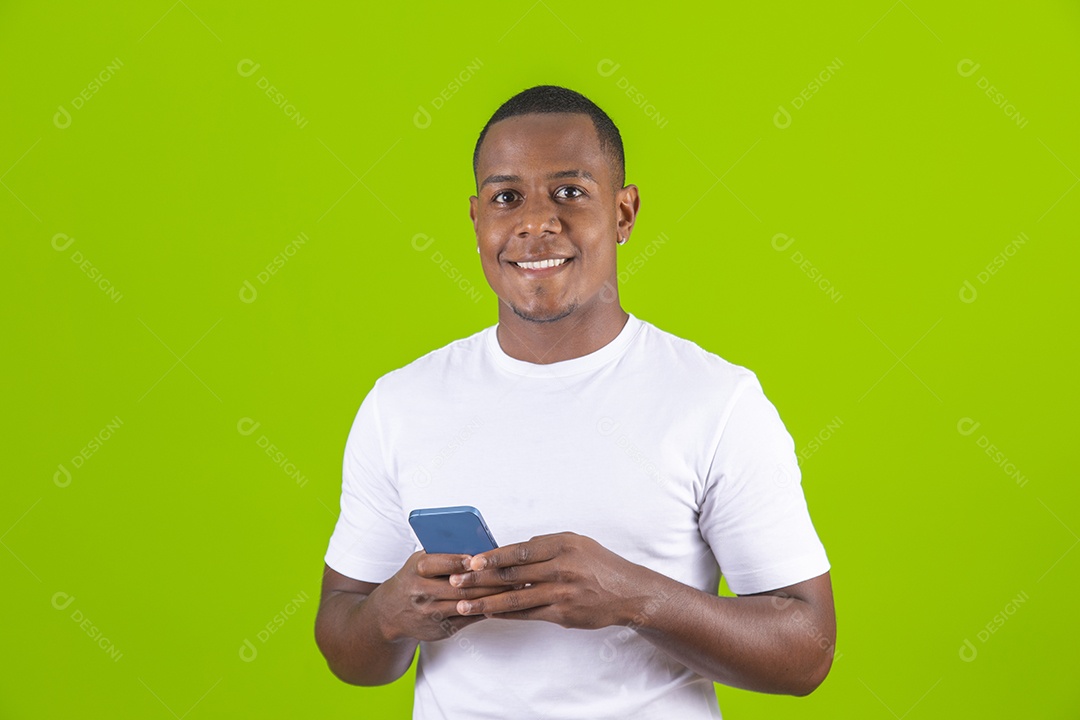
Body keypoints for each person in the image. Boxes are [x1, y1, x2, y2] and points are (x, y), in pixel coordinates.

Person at [315, 85, 835, 719]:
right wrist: (389, 618)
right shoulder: (400, 402)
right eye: (507, 198)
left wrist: (635, 599)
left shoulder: (718, 401)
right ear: (477, 220)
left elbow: (807, 653)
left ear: (623, 213)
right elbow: (346, 646)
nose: (537, 222)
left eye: (570, 192)